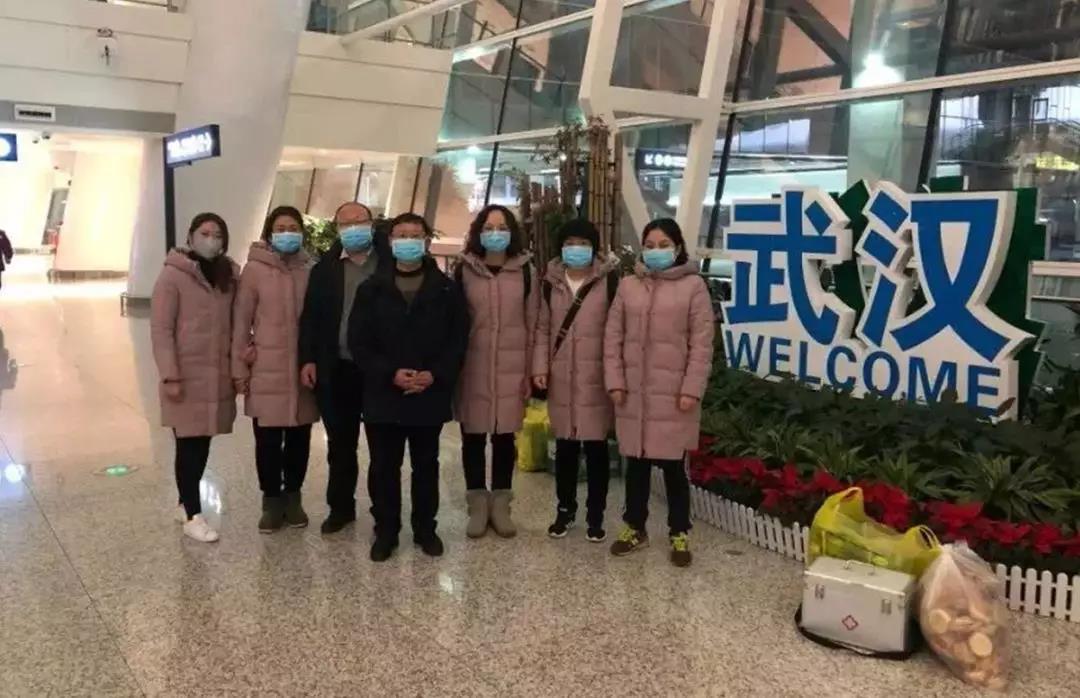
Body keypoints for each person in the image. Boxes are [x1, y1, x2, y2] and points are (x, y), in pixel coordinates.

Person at [349, 212, 468, 561]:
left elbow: (458, 340)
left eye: (415, 235)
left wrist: (435, 374)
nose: (409, 241)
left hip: (428, 393)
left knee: (426, 466)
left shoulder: (447, 289)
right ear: (390, 241)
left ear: (427, 241)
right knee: (383, 467)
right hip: (383, 393)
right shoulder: (371, 289)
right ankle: (386, 530)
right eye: (402, 235)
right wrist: (390, 373)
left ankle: (425, 529)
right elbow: (359, 342)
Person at [604, 218, 714, 567]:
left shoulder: (694, 287)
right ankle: (634, 527)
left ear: (678, 248)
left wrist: (692, 388)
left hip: (674, 396)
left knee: (673, 469)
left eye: (664, 245)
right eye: (649, 246)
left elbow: (702, 344)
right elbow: (612, 338)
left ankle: (679, 530)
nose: (656, 251)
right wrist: (615, 381)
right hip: (634, 394)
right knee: (635, 466)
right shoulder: (628, 286)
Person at [299, 201, 388, 534]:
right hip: (337, 367)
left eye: (359, 221)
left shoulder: (389, 263)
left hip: (379, 369)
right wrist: (308, 358)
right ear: (337, 229)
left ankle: (384, 511)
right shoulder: (325, 269)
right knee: (340, 445)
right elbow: (310, 318)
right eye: (345, 223)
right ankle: (340, 508)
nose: (353, 228)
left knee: (382, 447)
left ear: (372, 224)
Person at [150, 213, 239, 543]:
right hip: (185, 377)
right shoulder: (172, 276)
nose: (211, 240)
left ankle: (182, 503)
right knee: (189, 445)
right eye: (204, 233)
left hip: (216, 376)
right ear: (190, 237)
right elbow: (161, 330)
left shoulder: (228, 276)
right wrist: (170, 375)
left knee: (202, 442)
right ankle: (192, 515)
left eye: (218, 235)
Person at [233, 205, 319, 533]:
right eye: (280, 228)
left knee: (299, 438)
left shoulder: (311, 269)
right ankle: (271, 500)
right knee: (267, 440)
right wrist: (239, 366)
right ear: (270, 233)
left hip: (302, 370)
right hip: (265, 368)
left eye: (293, 228)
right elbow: (240, 321)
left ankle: (293, 497)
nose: (287, 234)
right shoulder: (254, 270)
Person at [454, 204, 538, 538]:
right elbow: (453, 322)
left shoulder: (526, 271)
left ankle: (501, 504)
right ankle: (477, 503)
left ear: (512, 232)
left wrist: (532, 371)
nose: (495, 233)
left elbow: (535, 324)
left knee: (505, 438)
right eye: (488, 227)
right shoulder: (464, 270)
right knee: (472, 437)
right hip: (472, 367)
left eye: (502, 227)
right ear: (478, 232)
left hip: (512, 368)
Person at [532, 219, 618, 542]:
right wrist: (540, 367)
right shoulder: (549, 283)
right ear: (561, 247)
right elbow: (542, 329)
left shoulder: (609, 282)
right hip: (561, 378)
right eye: (570, 243)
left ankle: (596, 515)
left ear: (594, 247)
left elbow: (617, 331)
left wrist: (615, 375)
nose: (576, 249)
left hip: (596, 378)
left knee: (597, 450)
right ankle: (565, 510)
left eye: (583, 243)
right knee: (565, 449)